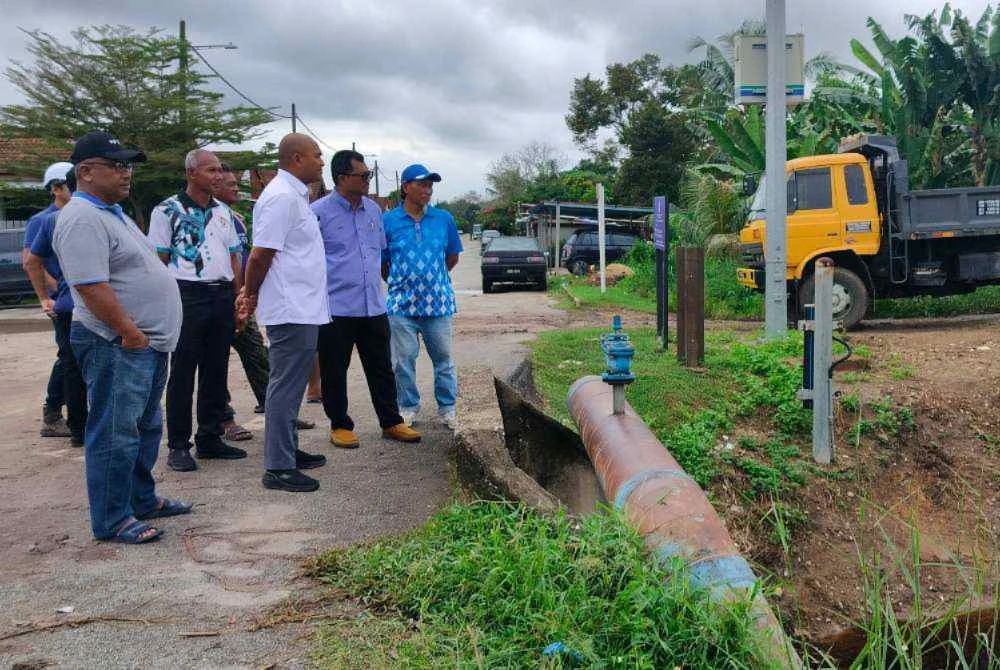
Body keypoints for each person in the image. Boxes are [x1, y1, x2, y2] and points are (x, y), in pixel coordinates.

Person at [54, 130, 190, 544]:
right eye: (116, 165)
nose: (125, 172)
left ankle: (141, 500)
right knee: (115, 431)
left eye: (127, 164)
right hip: (116, 342)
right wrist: (129, 332)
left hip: (142, 343)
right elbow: (91, 285)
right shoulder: (80, 218)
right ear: (85, 171)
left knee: (145, 427)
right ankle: (113, 519)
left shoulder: (112, 212)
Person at [311, 150, 421, 449]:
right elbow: (310, 261)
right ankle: (340, 424)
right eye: (363, 176)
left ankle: (391, 421)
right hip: (336, 307)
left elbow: (380, 256)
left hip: (373, 305)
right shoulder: (318, 212)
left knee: (382, 367)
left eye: (368, 176)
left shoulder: (374, 212)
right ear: (342, 178)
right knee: (335, 369)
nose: (367, 181)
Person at [238, 133, 328, 492]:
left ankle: (287, 450)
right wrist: (251, 294)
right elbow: (261, 255)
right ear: (296, 158)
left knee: (290, 384)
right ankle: (277, 466)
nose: (322, 161)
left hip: (303, 305)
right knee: (286, 386)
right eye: (317, 155)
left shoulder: (294, 195)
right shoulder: (279, 198)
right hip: (290, 308)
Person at [148, 149, 246, 472]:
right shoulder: (166, 211)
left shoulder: (224, 213)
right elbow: (158, 262)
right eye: (211, 170)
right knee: (182, 373)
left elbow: (233, 257)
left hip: (220, 294)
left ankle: (210, 437)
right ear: (191, 173)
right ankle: (178, 445)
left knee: (216, 369)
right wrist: (162, 304)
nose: (218, 176)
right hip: (185, 295)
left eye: (219, 170)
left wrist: (239, 298)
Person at [214, 164, 313, 438]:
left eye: (236, 183)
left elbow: (243, 257)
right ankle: (225, 420)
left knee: (256, 354)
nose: (236, 188)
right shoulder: (207, 218)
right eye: (229, 184)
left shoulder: (236, 219)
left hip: (239, 295)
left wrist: (244, 293)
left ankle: (277, 411)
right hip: (217, 298)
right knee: (216, 361)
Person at [382, 164, 463, 430]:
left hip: (437, 303)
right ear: (406, 187)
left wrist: (431, 279)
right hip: (401, 305)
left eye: (430, 185)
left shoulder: (443, 219)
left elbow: (451, 256)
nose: (428, 189)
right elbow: (384, 263)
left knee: (444, 360)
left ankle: (447, 408)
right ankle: (407, 407)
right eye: (422, 184)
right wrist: (403, 282)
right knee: (402, 361)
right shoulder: (389, 221)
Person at [23, 165, 88, 447]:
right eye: (63, 184)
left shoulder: (82, 215)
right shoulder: (44, 220)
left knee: (71, 358)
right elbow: (31, 260)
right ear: (54, 188)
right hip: (64, 299)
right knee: (69, 358)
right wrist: (51, 294)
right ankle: (54, 413)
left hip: (76, 296)